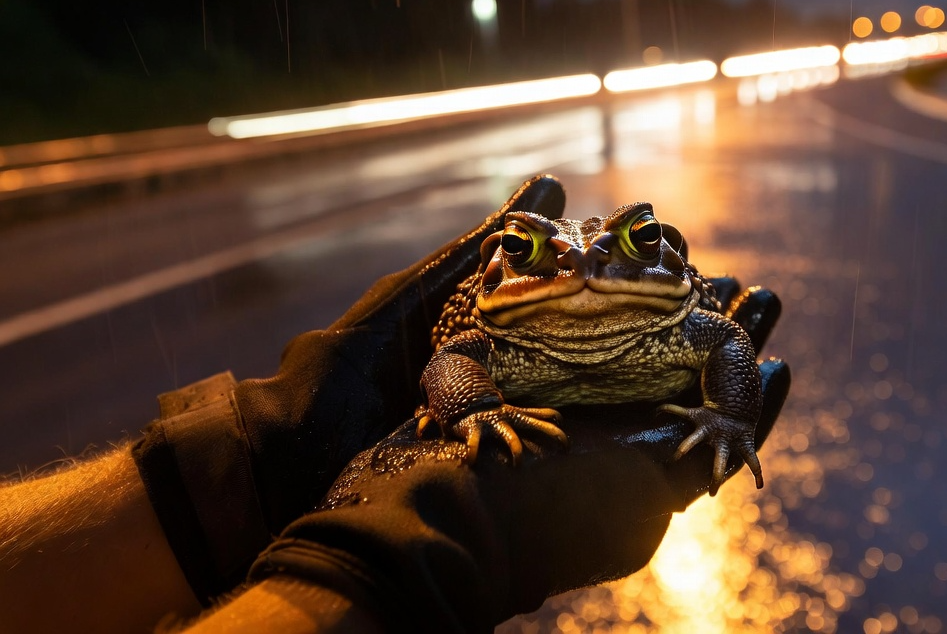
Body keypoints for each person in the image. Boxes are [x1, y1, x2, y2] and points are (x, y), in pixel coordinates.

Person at [0, 176, 789, 633]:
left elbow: (725, 346)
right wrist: (474, 418)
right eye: (527, 251)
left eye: (635, 242)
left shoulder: (684, 322)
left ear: (667, 254)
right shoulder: (492, 333)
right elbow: (452, 360)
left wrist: (726, 416)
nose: (581, 268)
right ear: (503, 266)